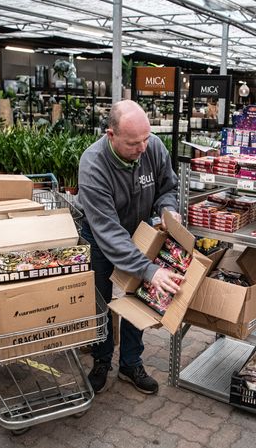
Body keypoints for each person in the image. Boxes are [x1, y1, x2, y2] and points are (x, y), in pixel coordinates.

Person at [78, 100, 183, 395]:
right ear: (111, 135)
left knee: (139, 296)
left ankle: (130, 363)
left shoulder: (153, 147)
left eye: (145, 139)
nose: (142, 148)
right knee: (101, 300)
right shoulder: (93, 164)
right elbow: (108, 231)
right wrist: (149, 269)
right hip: (101, 235)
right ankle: (101, 360)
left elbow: (168, 188)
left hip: (142, 233)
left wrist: (167, 210)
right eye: (133, 143)